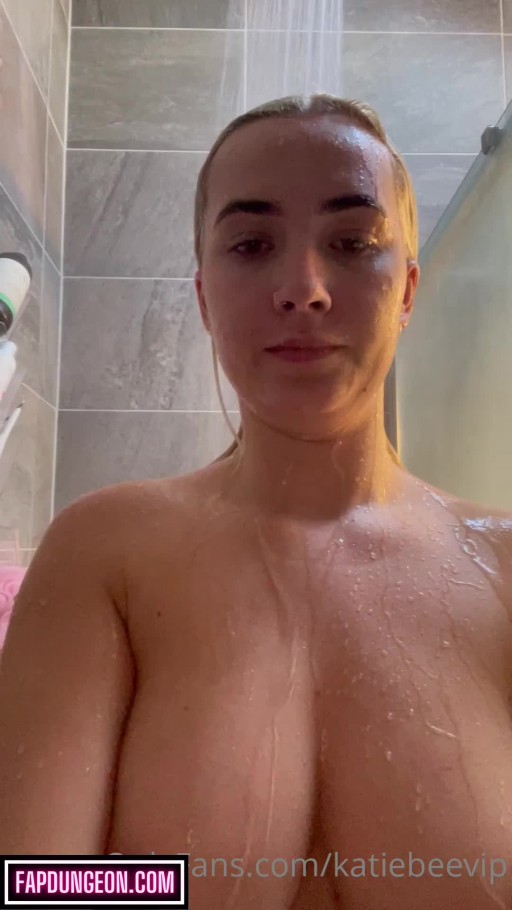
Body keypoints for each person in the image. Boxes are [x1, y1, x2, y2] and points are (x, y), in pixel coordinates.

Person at [1, 93, 512, 910]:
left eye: (352, 243)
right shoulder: (107, 555)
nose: (304, 288)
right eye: (251, 245)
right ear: (205, 297)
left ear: (408, 291)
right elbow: (38, 887)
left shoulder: (503, 569)